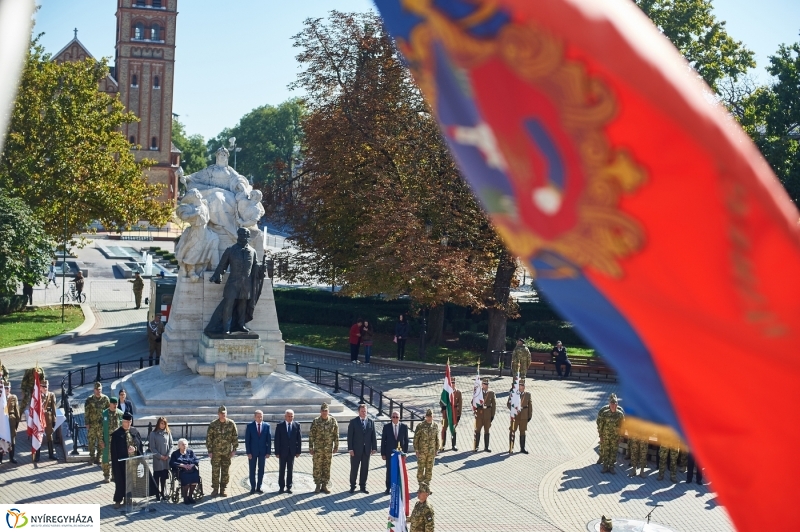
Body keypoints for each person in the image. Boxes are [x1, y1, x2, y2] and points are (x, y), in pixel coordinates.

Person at [205, 227, 264, 335]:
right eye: (241, 235)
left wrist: (261, 268)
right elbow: (222, 265)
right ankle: (226, 327)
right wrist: (217, 275)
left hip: (246, 284)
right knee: (228, 305)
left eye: (245, 235)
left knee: (243, 305)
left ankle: (241, 325)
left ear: (248, 237)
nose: (243, 237)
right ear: (238, 236)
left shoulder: (252, 251)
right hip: (233, 283)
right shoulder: (230, 250)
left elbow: (256, 265)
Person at [110, 412, 145, 509]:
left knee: (131, 481)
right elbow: (114, 450)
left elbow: (139, 444)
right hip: (121, 462)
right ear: (123, 422)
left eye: (130, 422)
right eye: (127, 422)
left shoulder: (134, 431)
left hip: (133, 461)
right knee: (120, 481)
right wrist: (125, 451)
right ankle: (118, 500)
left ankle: (128, 499)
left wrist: (135, 448)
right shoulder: (117, 434)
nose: (129, 424)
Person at [205, 405, 239, 497]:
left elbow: (235, 437)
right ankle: (215, 489)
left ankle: (223, 489)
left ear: (226, 414)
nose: (223, 415)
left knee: (225, 471)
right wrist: (209, 451)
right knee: (215, 471)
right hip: (215, 452)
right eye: (221, 413)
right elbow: (209, 438)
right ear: (218, 414)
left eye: (224, 413)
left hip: (226, 453)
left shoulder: (231, 424)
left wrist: (234, 449)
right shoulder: (213, 424)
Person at [309, 402, 339, 494]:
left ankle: (324, 485)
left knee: (326, 467)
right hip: (318, 449)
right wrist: (311, 447)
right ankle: (318, 485)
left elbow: (336, 434)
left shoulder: (333, 421)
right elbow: (311, 435)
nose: (324, 412)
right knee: (317, 467)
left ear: (328, 411)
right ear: (320, 411)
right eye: (323, 411)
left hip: (328, 449)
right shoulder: (316, 421)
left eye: (326, 411)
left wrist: (336, 446)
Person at [347, 403, 377, 493]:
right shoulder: (353, 422)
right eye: (362, 411)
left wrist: (374, 448)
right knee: (354, 469)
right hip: (356, 450)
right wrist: (350, 449)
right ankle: (352, 486)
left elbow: (373, 436)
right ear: (358, 412)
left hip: (366, 450)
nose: (364, 413)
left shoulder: (371, 422)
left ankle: (363, 486)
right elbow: (350, 437)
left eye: (365, 411)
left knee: (365, 469)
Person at [381, 410, 409, 494]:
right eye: (393, 417)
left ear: (399, 418)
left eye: (397, 417)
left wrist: (405, 453)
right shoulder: (386, 427)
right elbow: (383, 441)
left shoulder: (404, 427)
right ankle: (388, 488)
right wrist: (383, 453)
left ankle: (398, 488)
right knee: (389, 470)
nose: (395, 418)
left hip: (400, 453)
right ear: (391, 418)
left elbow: (406, 441)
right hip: (389, 453)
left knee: (399, 471)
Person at [274, 409, 302, 494]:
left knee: (290, 470)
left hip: (292, 452)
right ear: (285, 416)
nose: (290, 418)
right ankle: (281, 487)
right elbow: (277, 440)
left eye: (291, 416)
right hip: (282, 452)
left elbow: (299, 439)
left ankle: (289, 487)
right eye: (288, 416)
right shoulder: (280, 426)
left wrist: (298, 451)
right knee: (282, 470)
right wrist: (277, 452)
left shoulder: (297, 425)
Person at [596, 393, 625, 474]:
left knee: (613, 452)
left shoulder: (620, 414)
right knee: (606, 451)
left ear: (617, 405)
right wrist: (601, 436)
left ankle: (611, 467)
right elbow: (601, 425)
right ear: (609, 404)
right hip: (606, 437)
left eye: (614, 404)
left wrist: (621, 437)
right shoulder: (605, 413)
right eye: (611, 404)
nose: (613, 406)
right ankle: (605, 467)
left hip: (615, 437)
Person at [245, 409, 271, 494]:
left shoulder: (267, 426)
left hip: (263, 452)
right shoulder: (250, 426)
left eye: (261, 417)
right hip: (252, 452)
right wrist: (248, 452)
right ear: (255, 417)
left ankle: (259, 487)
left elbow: (269, 440)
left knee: (261, 470)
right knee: (252, 470)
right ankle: (253, 487)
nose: (260, 418)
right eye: (258, 417)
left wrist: (268, 452)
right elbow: (247, 440)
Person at [414, 408, 440, 492]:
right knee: (420, 469)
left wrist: (437, 449)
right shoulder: (420, 426)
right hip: (422, 451)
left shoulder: (435, 426)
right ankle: (421, 486)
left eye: (430, 416)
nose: (429, 418)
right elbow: (416, 438)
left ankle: (427, 486)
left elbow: (437, 438)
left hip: (431, 452)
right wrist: (416, 450)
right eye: (428, 416)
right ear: (426, 416)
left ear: (433, 416)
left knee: (429, 469)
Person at [148, 416, 173, 501]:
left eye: (164, 424)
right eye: (161, 423)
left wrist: (168, 455)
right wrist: (160, 456)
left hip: (166, 460)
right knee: (157, 477)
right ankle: (157, 493)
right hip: (158, 459)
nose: (162, 425)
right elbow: (152, 448)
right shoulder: (153, 434)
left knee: (163, 477)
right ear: (158, 424)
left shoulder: (168, 433)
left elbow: (171, 445)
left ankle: (162, 492)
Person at [84, 382, 110, 465]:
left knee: (101, 442)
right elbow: (86, 412)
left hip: (101, 425)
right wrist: (87, 423)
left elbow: (108, 411)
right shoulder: (89, 399)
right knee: (91, 442)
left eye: (100, 389)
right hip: (92, 425)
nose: (98, 391)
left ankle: (99, 457)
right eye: (97, 389)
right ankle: (92, 457)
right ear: (94, 390)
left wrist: (107, 423)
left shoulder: (105, 399)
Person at [170, 438, 200, 504]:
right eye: (183, 445)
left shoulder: (190, 452)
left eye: (185, 444)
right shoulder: (175, 454)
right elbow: (172, 463)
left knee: (195, 479)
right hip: (181, 470)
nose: (184, 446)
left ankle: (190, 496)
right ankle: (185, 498)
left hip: (191, 469)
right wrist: (182, 465)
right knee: (186, 481)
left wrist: (192, 465)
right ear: (179, 446)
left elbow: (196, 460)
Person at [507, 379, 532, 454]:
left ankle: (522, 448)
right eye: (520, 385)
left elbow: (530, 406)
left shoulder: (527, 395)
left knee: (522, 431)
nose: (522, 387)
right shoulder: (514, 394)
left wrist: (529, 416)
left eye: (523, 385)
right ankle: (511, 447)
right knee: (512, 430)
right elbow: (508, 403)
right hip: (515, 415)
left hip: (524, 416)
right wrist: (513, 409)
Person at [100, 398, 123, 483]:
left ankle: (115, 475)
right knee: (106, 458)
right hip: (107, 440)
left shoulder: (120, 414)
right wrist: (101, 440)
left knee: (116, 458)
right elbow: (100, 429)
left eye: (116, 404)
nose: (115, 405)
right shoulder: (104, 414)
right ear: (110, 404)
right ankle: (106, 475)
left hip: (117, 441)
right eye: (113, 404)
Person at [473, 378, 496, 453]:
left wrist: (492, 415)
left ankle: (486, 447)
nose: (486, 386)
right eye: (485, 384)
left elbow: (494, 405)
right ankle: (476, 446)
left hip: (487, 415)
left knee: (487, 431)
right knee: (478, 430)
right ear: (482, 385)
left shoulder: (491, 393)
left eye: (487, 384)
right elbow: (473, 402)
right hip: (480, 415)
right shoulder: (478, 392)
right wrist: (477, 407)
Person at [439, 377, 462, 452]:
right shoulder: (446, 392)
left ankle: (453, 445)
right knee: (444, 428)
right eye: (451, 383)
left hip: (454, 413)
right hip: (446, 413)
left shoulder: (458, 393)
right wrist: (443, 407)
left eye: (453, 383)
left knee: (453, 429)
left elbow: (460, 405)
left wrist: (458, 415)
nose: (452, 384)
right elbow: (441, 401)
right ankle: (442, 445)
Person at [1, 381, 19, 464]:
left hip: (11, 420)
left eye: (8, 388)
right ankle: (0, 459)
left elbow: (16, 410)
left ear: (10, 388)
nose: (7, 389)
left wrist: (17, 422)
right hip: (2, 421)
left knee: (12, 439)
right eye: (5, 388)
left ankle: (12, 457)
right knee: (2, 439)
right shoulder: (1, 398)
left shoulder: (13, 397)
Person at [39, 380, 57, 461]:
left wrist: (54, 419)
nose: (45, 388)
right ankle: (37, 455)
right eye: (43, 387)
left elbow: (54, 408)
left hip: (48, 418)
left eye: (46, 386)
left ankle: (51, 454)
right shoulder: (38, 396)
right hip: (40, 418)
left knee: (50, 436)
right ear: (40, 387)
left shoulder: (51, 395)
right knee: (39, 436)